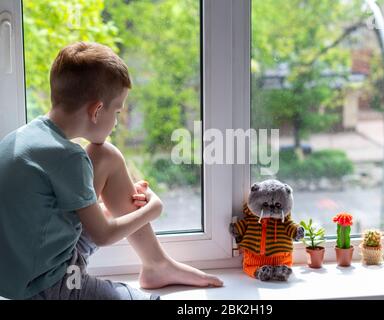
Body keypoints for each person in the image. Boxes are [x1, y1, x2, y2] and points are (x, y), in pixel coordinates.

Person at [0, 42, 223, 300]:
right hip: (50, 287)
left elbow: (46, 214)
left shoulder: (24, 137)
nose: (116, 122)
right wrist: (153, 209)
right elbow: (103, 235)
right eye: (117, 111)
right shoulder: (68, 157)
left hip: (22, 270)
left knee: (105, 154)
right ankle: (155, 269)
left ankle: (157, 265)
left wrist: (108, 209)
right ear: (96, 110)